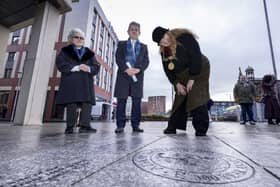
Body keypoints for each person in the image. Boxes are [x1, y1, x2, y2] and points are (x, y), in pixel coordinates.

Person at [152, 26, 210, 136]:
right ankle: (172, 127)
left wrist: (192, 78)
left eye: (163, 37)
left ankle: (201, 128)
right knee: (180, 97)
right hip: (182, 75)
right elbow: (167, 71)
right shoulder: (164, 52)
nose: (164, 41)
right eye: (160, 42)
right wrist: (176, 83)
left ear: (167, 32)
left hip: (199, 68)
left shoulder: (185, 37)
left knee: (195, 95)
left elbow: (195, 57)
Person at [56, 28, 100, 134]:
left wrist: (88, 68)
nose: (79, 39)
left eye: (82, 38)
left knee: (87, 103)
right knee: (72, 102)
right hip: (71, 80)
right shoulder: (65, 51)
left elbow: (96, 66)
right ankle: (70, 126)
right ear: (71, 38)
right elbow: (60, 63)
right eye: (77, 37)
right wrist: (76, 67)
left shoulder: (89, 52)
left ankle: (85, 126)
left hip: (86, 81)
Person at [114, 21, 149, 133]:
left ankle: (136, 125)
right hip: (123, 75)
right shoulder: (121, 44)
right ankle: (120, 125)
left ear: (139, 32)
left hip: (137, 77)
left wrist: (138, 69)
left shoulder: (144, 47)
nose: (134, 31)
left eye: (136, 29)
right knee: (121, 101)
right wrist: (126, 69)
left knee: (137, 101)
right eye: (132, 29)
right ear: (128, 31)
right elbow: (118, 58)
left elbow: (146, 61)